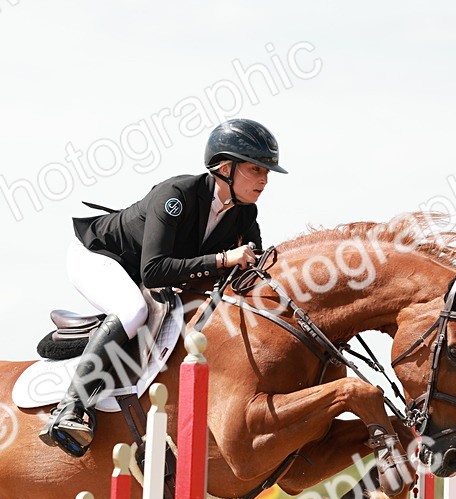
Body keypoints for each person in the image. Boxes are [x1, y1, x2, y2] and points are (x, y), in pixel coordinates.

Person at [39, 118, 287, 457]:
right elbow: (154, 272)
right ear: (225, 168)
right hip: (100, 256)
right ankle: (70, 408)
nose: (264, 179)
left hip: (145, 271)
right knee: (133, 310)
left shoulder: (244, 214)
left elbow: (250, 270)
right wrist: (221, 259)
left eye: (267, 172)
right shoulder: (177, 196)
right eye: (256, 169)